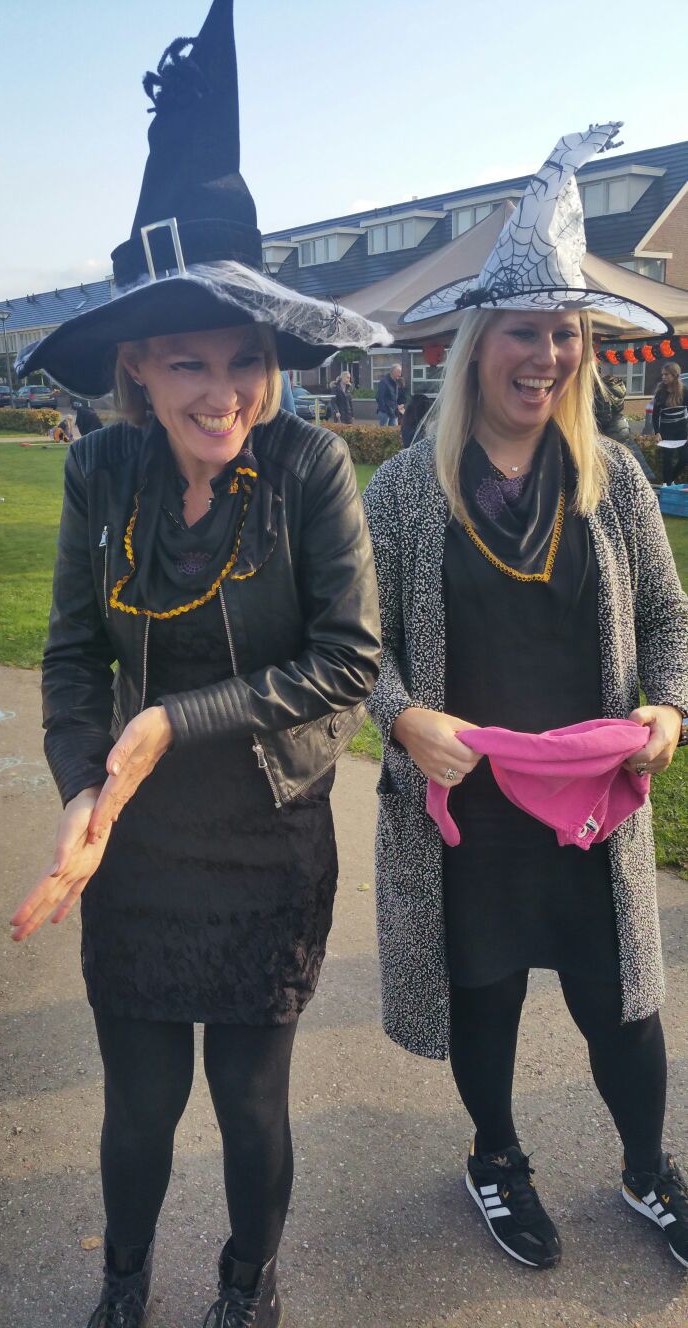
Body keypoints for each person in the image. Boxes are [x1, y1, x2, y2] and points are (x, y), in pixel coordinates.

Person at [8, 5, 385, 1326]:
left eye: (243, 359)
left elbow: (348, 658)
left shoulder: (309, 465)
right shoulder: (99, 471)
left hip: (268, 839)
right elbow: (71, 652)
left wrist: (175, 718)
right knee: (140, 1103)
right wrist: (81, 787)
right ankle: (122, 1289)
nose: (222, 390)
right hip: (141, 844)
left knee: (249, 1101)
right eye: (187, 362)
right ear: (136, 365)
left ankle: (246, 1288)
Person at [365, 123, 688, 1275]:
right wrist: (404, 716)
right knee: (486, 995)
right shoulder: (406, 491)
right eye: (524, 331)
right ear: (477, 343)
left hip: (593, 809)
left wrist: (670, 709)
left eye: (565, 333)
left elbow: (669, 621)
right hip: (471, 814)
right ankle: (496, 1155)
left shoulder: (616, 480)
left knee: (623, 1009)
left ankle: (648, 1168)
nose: (546, 355)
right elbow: (355, 651)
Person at [594, 366, 655, 481]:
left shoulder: (599, 391)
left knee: (622, 473)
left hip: (612, 433)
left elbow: (603, 417)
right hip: (621, 428)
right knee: (632, 466)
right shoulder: (610, 388)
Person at [652, 361, 688, 486]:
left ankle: (669, 480)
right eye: (662, 374)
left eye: (666, 374)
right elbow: (655, 414)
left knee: (684, 458)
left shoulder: (685, 391)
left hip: (682, 431)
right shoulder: (660, 392)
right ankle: (667, 484)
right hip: (666, 431)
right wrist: (657, 432)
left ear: (675, 375)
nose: (663, 377)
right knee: (668, 459)